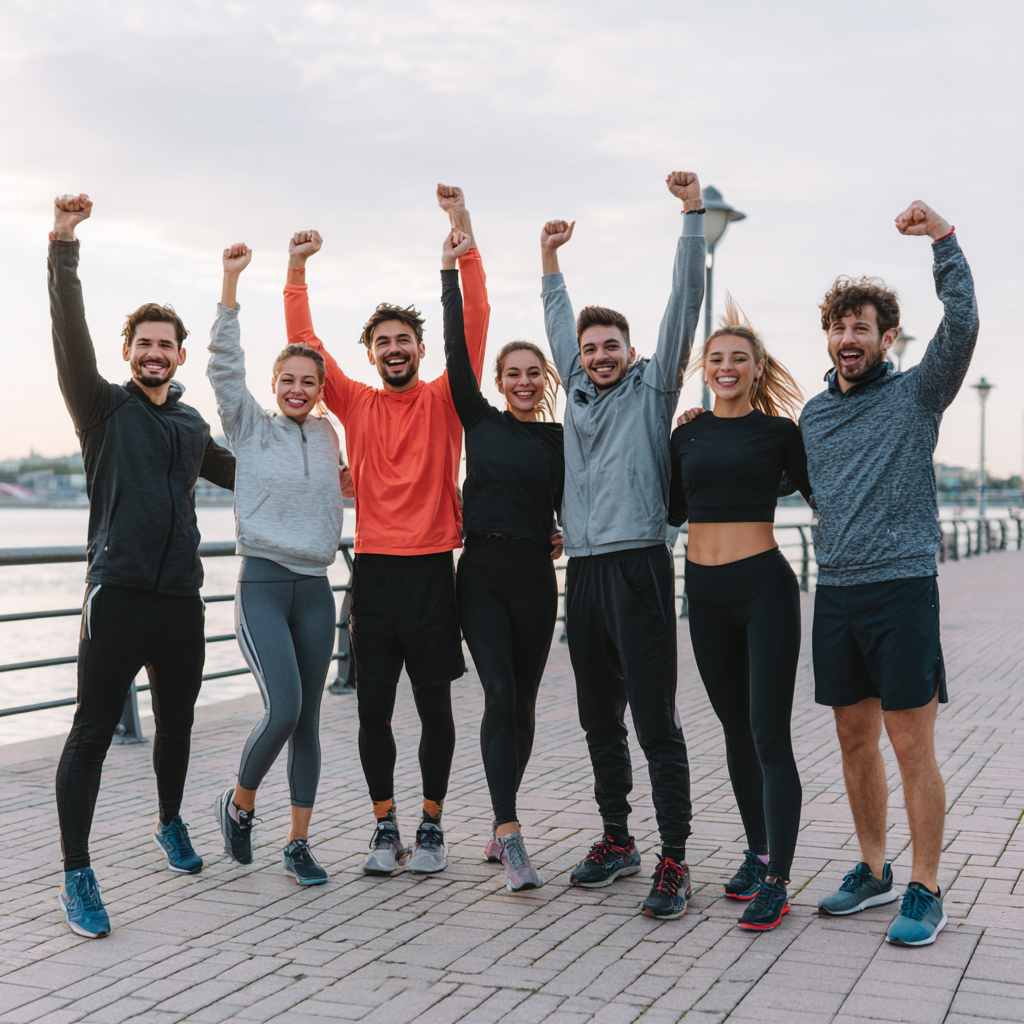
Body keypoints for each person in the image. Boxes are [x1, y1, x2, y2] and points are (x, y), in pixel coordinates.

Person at [283, 185, 490, 876]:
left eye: (404, 340)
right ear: (370, 354)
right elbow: (305, 345)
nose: (394, 349)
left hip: (433, 572)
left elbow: (475, 324)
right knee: (372, 710)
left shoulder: (444, 399)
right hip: (372, 575)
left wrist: (463, 244)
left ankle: (431, 826)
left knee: (435, 708)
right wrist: (297, 272)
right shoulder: (356, 402)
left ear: (420, 349)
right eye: (383, 342)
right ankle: (383, 827)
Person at [48, 194, 236, 939]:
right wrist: (64, 247)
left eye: (167, 344)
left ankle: (168, 823)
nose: (155, 353)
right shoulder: (101, 409)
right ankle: (76, 873)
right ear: (129, 351)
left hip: (180, 604)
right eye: (144, 343)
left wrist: (338, 479)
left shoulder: (191, 426)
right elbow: (67, 333)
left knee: (178, 723)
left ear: (180, 355)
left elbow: (255, 477)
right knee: (91, 732)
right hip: (118, 596)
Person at [804, 202, 978, 947]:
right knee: (852, 741)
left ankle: (925, 888)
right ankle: (873, 872)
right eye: (840, 328)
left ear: (886, 337)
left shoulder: (917, 394)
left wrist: (944, 241)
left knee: (913, 748)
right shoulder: (812, 416)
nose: (850, 339)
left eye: (862, 328)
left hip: (903, 590)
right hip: (836, 592)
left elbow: (964, 326)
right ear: (830, 336)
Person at [540, 171, 705, 919]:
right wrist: (549, 261)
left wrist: (692, 217)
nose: (600, 357)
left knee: (653, 717)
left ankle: (674, 854)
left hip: (639, 566)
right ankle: (618, 838)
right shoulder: (574, 388)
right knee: (596, 716)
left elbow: (684, 306)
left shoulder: (653, 388)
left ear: (632, 351)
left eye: (612, 347)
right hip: (585, 573)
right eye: (590, 349)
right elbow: (555, 321)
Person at [668, 297, 811, 931]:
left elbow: (825, 495)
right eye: (717, 358)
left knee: (767, 733)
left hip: (763, 590)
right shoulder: (687, 433)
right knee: (732, 729)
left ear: (757, 369)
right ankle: (757, 853)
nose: (727, 367)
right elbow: (669, 513)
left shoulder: (781, 434)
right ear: (706, 367)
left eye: (739, 359)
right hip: (702, 592)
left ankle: (779, 878)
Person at [207, 243, 344, 885]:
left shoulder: (326, 434)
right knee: (283, 709)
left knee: (311, 721)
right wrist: (232, 282)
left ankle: (297, 842)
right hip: (263, 583)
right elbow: (223, 366)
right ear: (273, 385)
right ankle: (239, 803)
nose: (297, 389)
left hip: (316, 587)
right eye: (287, 379)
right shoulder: (248, 425)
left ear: (320, 390)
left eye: (308, 382)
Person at [441, 228, 565, 892]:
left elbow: (588, 502)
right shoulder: (479, 421)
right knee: (497, 694)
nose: (522, 381)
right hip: (482, 577)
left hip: (536, 581)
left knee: (524, 705)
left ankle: (497, 828)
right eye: (512, 373)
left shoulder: (560, 440)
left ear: (545, 381)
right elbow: (455, 347)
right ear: (499, 382)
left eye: (532, 373)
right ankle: (511, 832)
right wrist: (450, 266)